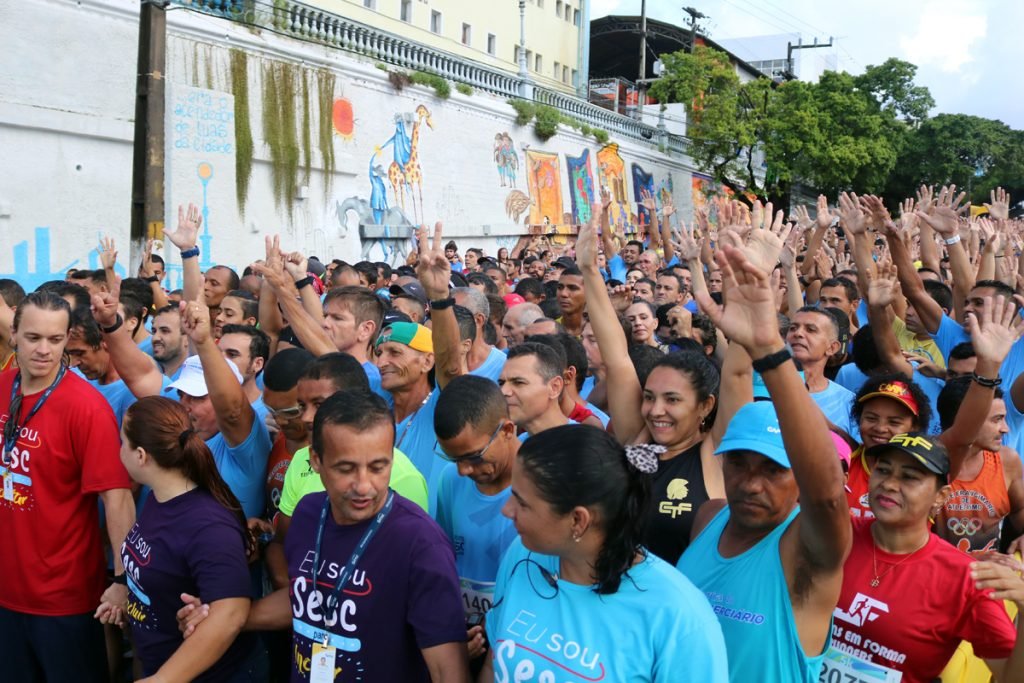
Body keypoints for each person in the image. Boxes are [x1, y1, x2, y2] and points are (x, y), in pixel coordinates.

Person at [183, 390, 471, 682]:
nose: (363, 485)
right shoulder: (308, 513)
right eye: (345, 469)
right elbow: (305, 595)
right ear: (315, 460)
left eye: (378, 467)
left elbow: (448, 671)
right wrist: (221, 617)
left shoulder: (421, 543)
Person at [677, 245, 852, 683]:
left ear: (800, 476)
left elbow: (828, 498)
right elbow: (735, 380)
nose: (751, 484)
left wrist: (772, 349)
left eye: (774, 470)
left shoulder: (808, 552)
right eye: (738, 464)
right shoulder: (708, 517)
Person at [480, 425, 729, 682]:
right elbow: (493, 664)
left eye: (521, 502)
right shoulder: (522, 555)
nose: (507, 510)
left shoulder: (679, 616)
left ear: (578, 520)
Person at [576, 212, 728, 564]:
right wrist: (589, 273)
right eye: (649, 397)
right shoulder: (638, 441)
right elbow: (616, 358)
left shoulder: (714, 455)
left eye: (672, 400)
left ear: (705, 406)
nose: (655, 410)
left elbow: (737, 374)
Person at [0, 291, 135, 681]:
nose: (45, 350)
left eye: (56, 340)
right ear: (14, 335)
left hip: (63, 599)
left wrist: (123, 581)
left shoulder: (86, 407)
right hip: (6, 593)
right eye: (33, 338)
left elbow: (118, 498)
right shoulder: (3, 386)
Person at [825, 432, 1024, 682]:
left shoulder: (967, 579)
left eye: (909, 477)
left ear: (940, 496)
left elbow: (1011, 676)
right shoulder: (833, 534)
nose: (889, 484)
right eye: (883, 470)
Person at [97, 396, 261, 681]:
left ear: (141, 456)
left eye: (123, 441)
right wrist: (126, 589)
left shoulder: (207, 526)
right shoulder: (158, 498)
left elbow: (231, 614)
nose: (118, 449)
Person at [433, 375, 519, 665]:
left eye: (474, 457)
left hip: (517, 646)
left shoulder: (540, 489)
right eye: (453, 458)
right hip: (464, 638)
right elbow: (443, 560)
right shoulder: (450, 481)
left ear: (507, 430)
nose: (463, 471)